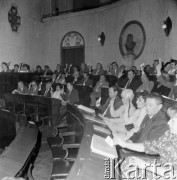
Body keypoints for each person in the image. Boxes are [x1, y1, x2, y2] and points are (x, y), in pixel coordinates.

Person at [113, 106, 177, 180]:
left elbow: (174, 175)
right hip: (162, 166)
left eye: (173, 121)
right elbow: (148, 146)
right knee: (129, 162)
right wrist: (125, 144)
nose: (168, 123)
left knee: (135, 172)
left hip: (170, 175)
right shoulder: (170, 134)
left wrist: (145, 165)